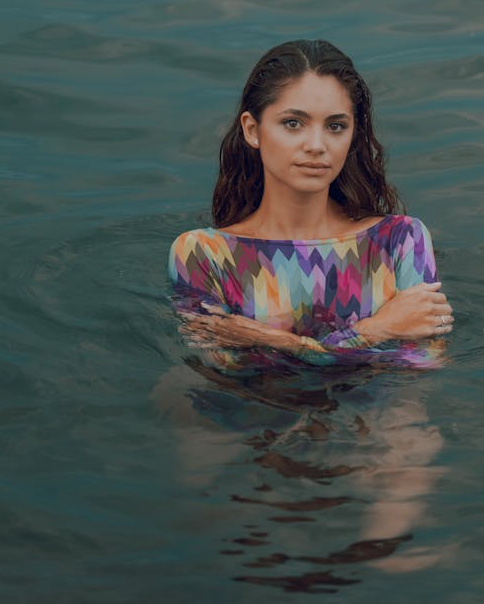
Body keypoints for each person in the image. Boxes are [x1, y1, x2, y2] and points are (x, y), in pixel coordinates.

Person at [168, 39, 453, 370]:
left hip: (373, 416)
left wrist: (269, 340)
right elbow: (225, 368)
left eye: (335, 126)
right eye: (293, 123)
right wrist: (376, 330)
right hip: (250, 418)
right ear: (252, 129)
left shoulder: (400, 240)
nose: (317, 145)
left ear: (353, 135)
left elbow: (423, 362)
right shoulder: (204, 254)